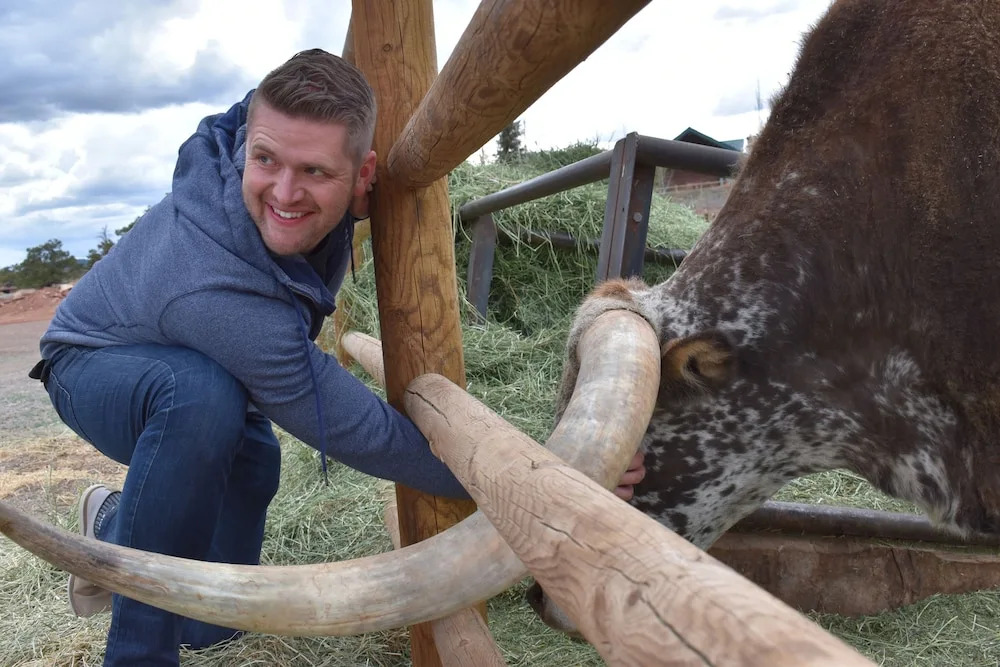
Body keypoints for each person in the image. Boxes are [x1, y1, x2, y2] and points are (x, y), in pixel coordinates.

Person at [29, 48, 645, 666]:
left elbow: (277, 108)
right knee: (201, 400)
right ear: (249, 147)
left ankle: (113, 521)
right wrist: (544, 474)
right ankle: (136, 653)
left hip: (203, 361)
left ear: (364, 172)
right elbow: (362, 431)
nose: (284, 192)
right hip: (92, 362)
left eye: (315, 171)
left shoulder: (275, 139)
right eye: (265, 160)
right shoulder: (218, 293)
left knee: (232, 550)